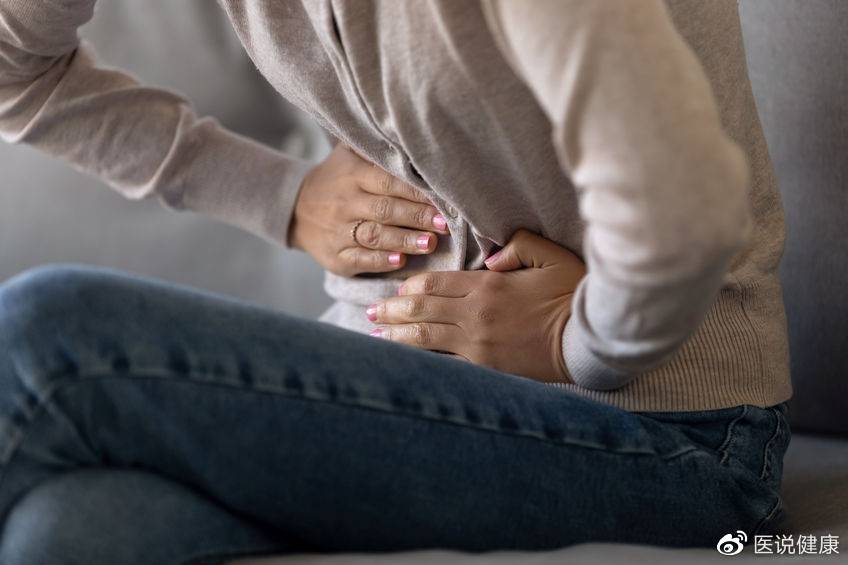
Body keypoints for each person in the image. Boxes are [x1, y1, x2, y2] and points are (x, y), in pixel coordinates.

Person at [0, 1, 792, 563]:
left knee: (48, 332)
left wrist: (580, 335)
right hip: (389, 390)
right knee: (69, 534)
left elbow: (686, 197)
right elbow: (13, 65)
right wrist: (279, 193)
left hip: (669, 430)